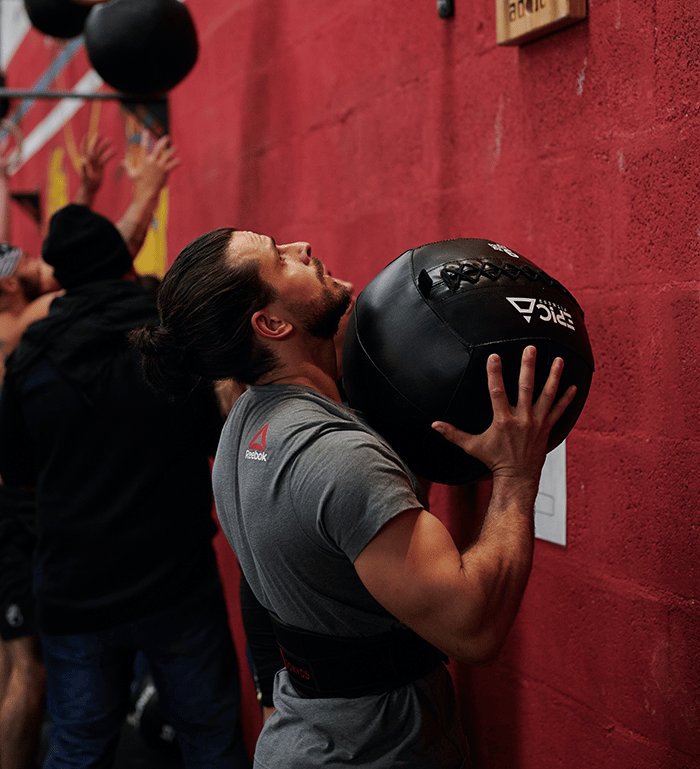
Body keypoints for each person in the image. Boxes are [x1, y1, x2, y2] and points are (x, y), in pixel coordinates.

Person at [132, 228, 577, 769]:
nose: (301, 248)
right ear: (272, 325)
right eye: (279, 258)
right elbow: (474, 627)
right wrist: (515, 473)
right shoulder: (337, 459)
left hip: (309, 739)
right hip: (371, 753)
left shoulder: (242, 428)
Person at [0, 179, 250, 767]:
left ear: (61, 274)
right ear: (120, 260)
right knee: (211, 742)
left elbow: (17, 478)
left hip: (75, 592)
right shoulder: (169, 344)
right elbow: (221, 442)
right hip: (176, 582)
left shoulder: (30, 360)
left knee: (79, 746)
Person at [0, 130, 176, 769]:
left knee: (24, 668)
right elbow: (95, 271)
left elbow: (68, 264)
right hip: (17, 517)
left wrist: (85, 193)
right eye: (13, 267)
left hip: (28, 505)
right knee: (28, 674)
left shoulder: (27, 305)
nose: (28, 265)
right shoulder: (17, 325)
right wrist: (148, 188)